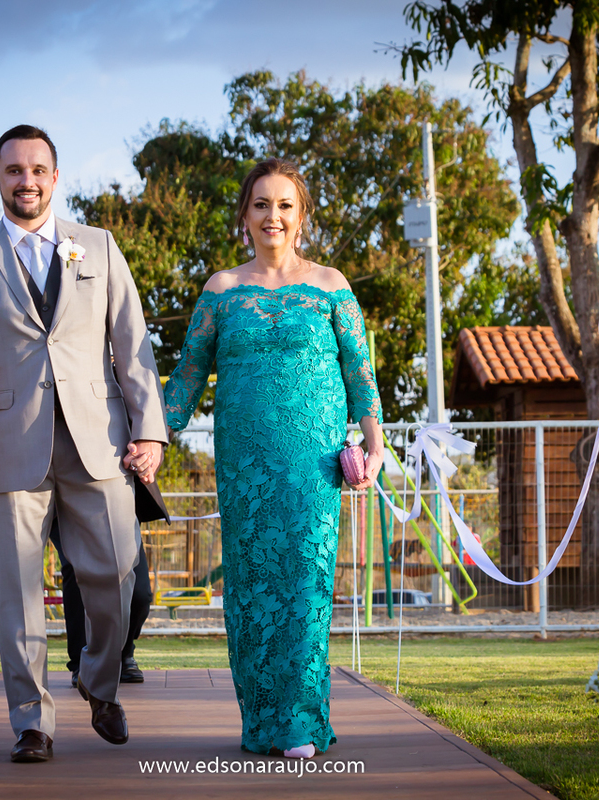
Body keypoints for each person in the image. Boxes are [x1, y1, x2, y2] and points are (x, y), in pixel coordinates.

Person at [0, 124, 170, 763]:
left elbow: (133, 342)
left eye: (37, 170)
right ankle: (31, 721)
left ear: (55, 177)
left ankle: (100, 683)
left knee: (118, 574)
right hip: (5, 448)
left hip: (101, 443)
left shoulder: (99, 246)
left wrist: (150, 427)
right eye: (13, 170)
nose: (26, 181)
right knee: (18, 594)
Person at [163, 158, 384, 759]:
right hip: (244, 468)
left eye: (285, 205)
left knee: (306, 587)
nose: (273, 216)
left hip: (313, 464)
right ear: (245, 216)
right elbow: (186, 379)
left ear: (301, 216)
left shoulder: (332, 285)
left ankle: (301, 725)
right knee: (252, 590)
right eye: (261, 204)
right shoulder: (221, 289)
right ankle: (261, 723)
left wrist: (374, 441)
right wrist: (146, 434)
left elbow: (360, 375)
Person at [48, 517, 151, 686]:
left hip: (119, 507)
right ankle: (80, 663)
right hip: (66, 507)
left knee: (140, 594)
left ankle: (124, 652)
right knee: (76, 572)